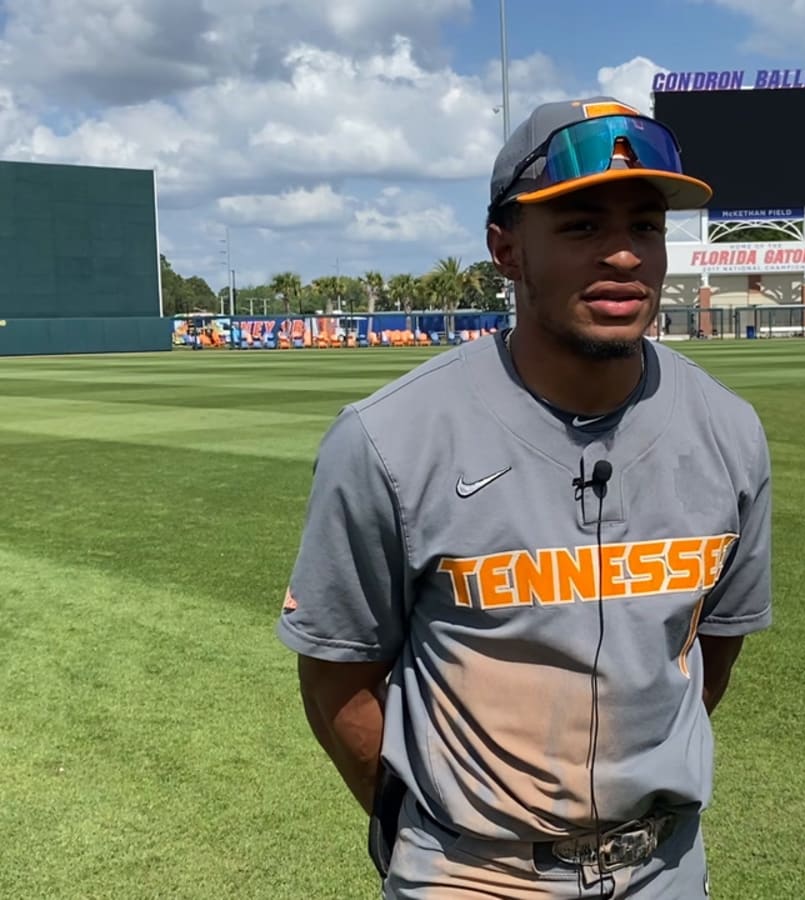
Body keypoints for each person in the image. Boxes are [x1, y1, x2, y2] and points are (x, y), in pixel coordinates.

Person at [276, 95, 774, 899]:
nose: (622, 256)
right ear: (506, 251)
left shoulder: (729, 429)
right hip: (474, 875)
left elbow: (708, 654)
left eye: (645, 226)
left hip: (667, 869)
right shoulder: (389, 437)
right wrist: (437, 840)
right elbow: (339, 677)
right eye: (581, 226)